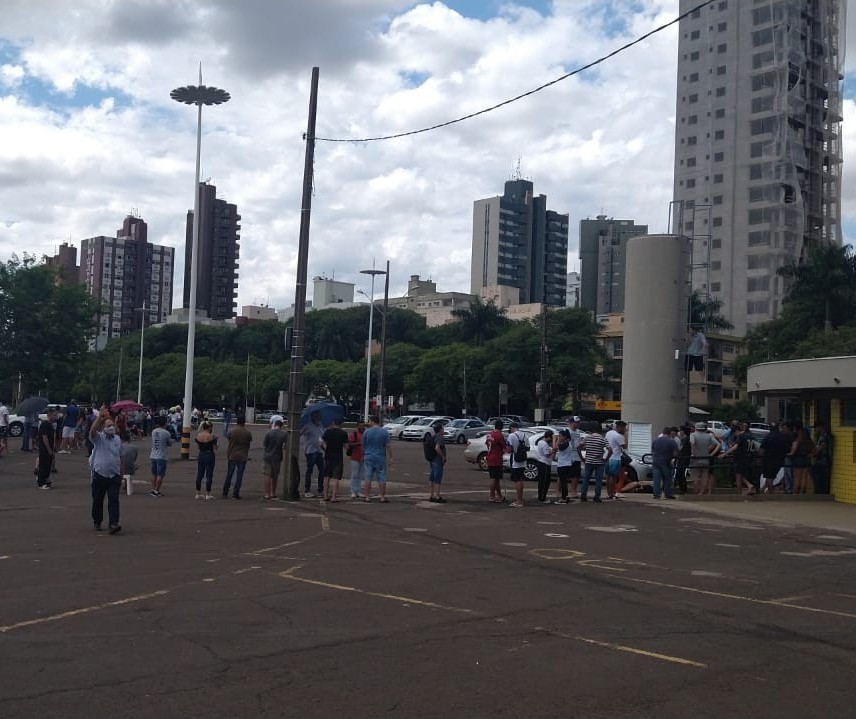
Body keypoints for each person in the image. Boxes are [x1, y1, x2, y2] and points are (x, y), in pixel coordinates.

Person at [89, 407, 123, 534]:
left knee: (114, 500)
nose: (111, 427)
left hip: (114, 475)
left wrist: (121, 474)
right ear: (103, 427)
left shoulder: (117, 440)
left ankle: (113, 523)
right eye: (108, 425)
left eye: (112, 425)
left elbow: (120, 457)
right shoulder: (99, 438)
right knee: (98, 500)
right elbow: (92, 431)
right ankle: (97, 521)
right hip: (100, 474)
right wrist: (100, 417)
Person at [361, 415, 392, 502]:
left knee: (368, 477)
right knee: (382, 477)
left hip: (368, 456)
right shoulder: (384, 432)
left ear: (373, 421)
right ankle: (382, 497)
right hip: (380, 456)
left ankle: (367, 497)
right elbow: (387, 445)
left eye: (370, 421)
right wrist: (391, 457)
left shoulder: (367, 432)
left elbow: (363, 445)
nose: (369, 422)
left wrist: (363, 455)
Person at [223, 414, 253, 499]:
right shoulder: (247, 433)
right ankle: (236, 493)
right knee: (239, 475)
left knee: (229, 474)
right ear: (244, 423)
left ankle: (225, 492)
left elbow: (228, 438)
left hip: (232, 454)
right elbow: (249, 442)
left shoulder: (232, 431)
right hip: (243, 455)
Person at [322, 417, 349, 502]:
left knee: (327, 477)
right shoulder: (343, 433)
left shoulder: (328, 432)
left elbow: (321, 443)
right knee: (336, 477)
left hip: (328, 456)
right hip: (338, 457)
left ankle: (325, 495)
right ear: (341, 424)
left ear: (333, 423)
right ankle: (333, 497)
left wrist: (326, 449)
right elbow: (346, 446)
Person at [759, 422, 789, 493]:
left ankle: (771, 493)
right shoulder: (783, 437)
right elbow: (786, 448)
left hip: (768, 460)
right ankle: (764, 489)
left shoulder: (768, 437)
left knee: (769, 477)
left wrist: (760, 458)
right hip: (780, 460)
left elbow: (761, 451)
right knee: (773, 476)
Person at [580, 426, 608, 502]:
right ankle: (597, 497)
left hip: (588, 461)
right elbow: (610, 449)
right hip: (599, 462)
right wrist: (605, 458)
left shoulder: (587, 438)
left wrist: (582, 458)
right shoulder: (602, 439)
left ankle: (583, 495)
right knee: (598, 480)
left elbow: (578, 447)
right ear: (600, 431)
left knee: (586, 479)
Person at [689, 422, 718, 495]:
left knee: (695, 476)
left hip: (695, 458)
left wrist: (694, 452)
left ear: (696, 428)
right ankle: (702, 492)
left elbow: (692, 443)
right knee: (705, 476)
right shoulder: (709, 436)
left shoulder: (693, 435)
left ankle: (696, 491)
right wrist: (711, 453)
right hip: (705, 458)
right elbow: (718, 444)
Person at [301, 410, 325, 498]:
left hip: (319, 451)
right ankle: (307, 490)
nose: (319, 417)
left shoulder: (321, 425)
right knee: (309, 470)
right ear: (313, 417)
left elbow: (321, 437)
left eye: (319, 415)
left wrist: (324, 448)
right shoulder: (308, 426)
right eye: (317, 416)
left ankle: (320, 489)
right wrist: (302, 430)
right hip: (310, 451)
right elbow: (300, 433)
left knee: (322, 470)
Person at [261, 418, 286, 500]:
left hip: (268, 456)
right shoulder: (283, 434)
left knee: (267, 475)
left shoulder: (269, 433)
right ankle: (273, 493)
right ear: (281, 426)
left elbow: (264, 445)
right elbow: (285, 446)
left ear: (274, 425)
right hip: (277, 457)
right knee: (275, 476)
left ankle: (267, 494)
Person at [651, 426, 678, 499]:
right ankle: (667, 494)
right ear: (669, 433)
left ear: (663, 432)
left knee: (656, 479)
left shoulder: (656, 440)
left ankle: (656, 495)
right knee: (667, 478)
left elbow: (653, 450)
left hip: (656, 461)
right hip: (666, 462)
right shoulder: (672, 441)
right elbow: (676, 453)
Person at [506, 422, 529, 507]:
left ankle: (519, 501)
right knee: (520, 479)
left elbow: (509, 449)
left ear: (511, 428)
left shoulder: (511, 436)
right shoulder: (525, 435)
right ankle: (520, 499)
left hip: (515, 460)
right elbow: (528, 448)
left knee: (517, 480)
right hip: (523, 460)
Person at [149, 415, 172, 497]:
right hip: (161, 456)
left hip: (153, 455)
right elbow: (169, 443)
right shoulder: (166, 433)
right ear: (165, 423)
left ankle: (153, 489)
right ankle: (156, 490)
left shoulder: (154, 431)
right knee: (160, 475)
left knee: (154, 474)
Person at [194, 420, 218, 499]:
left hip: (201, 454)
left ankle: (197, 493)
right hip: (209, 455)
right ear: (209, 427)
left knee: (200, 474)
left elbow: (198, 447)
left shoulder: (198, 435)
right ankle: (208, 494)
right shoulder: (211, 436)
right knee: (209, 475)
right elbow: (215, 448)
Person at [484, 420, 507, 503]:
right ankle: (492, 496)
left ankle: (499, 495)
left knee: (495, 477)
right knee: (494, 478)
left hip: (489, 456)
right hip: (496, 458)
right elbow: (504, 446)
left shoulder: (490, 434)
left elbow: (487, 443)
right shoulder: (499, 435)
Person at [36, 406, 58, 489]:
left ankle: (46, 480)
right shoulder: (45, 424)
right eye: (54, 415)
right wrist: (49, 449)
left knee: (48, 465)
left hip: (49, 448)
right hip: (44, 449)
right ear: (49, 415)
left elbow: (52, 437)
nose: (56, 417)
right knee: (43, 466)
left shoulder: (51, 425)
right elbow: (44, 438)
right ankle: (41, 483)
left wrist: (53, 448)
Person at [604, 420, 627, 500]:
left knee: (608, 476)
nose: (624, 429)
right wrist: (625, 435)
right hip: (615, 457)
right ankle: (612, 494)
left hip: (607, 456)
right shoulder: (619, 436)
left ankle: (608, 493)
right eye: (624, 428)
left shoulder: (609, 433)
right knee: (613, 477)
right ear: (620, 427)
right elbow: (624, 446)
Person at [788, 424, 814, 495]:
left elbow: (792, 452)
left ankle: (795, 491)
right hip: (807, 460)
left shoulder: (797, 441)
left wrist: (789, 454)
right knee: (804, 477)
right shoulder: (810, 442)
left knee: (797, 477)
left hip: (797, 459)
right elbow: (813, 452)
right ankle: (802, 491)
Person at [426, 421, 447, 503]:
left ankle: (431, 495)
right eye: (442, 428)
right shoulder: (440, 437)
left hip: (432, 458)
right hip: (437, 459)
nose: (443, 430)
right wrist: (443, 457)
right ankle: (437, 496)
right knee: (438, 478)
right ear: (440, 430)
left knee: (432, 477)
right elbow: (437, 448)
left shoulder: (434, 436)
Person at [553, 429, 576, 504]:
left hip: (564, 465)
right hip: (564, 464)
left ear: (565, 437)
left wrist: (555, 440)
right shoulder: (566, 443)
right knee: (563, 481)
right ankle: (565, 497)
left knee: (563, 482)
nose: (559, 437)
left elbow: (555, 447)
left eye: (560, 436)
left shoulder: (566, 444)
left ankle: (564, 498)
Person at [811, 421, 831, 495]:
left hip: (822, 460)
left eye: (816, 428)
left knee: (820, 478)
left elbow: (821, 447)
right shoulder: (821, 436)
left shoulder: (824, 436)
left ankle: (820, 492)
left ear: (820, 427)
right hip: (822, 460)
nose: (815, 430)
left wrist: (813, 453)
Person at [347, 420, 365, 499]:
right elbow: (350, 443)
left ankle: (358, 491)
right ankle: (353, 491)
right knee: (354, 475)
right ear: (357, 426)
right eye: (360, 426)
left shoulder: (365, 433)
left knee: (360, 475)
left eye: (363, 426)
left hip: (363, 457)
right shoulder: (354, 434)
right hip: (354, 457)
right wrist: (359, 443)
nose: (362, 427)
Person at [535, 429, 554, 503]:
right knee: (545, 482)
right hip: (544, 463)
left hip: (541, 462)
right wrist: (553, 450)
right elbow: (547, 454)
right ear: (549, 437)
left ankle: (541, 497)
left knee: (542, 481)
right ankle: (542, 498)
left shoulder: (540, 442)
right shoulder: (544, 444)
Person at [121, 431, 138, 495]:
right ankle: (126, 485)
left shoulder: (118, 446)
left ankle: (124, 485)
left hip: (119, 468)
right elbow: (134, 458)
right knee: (132, 464)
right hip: (130, 468)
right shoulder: (135, 447)